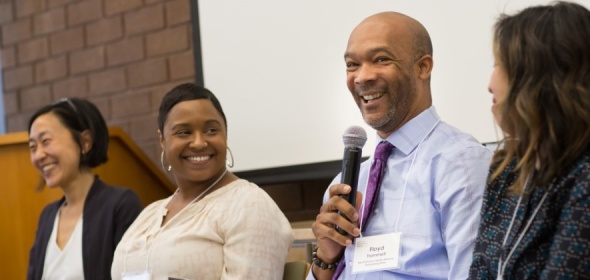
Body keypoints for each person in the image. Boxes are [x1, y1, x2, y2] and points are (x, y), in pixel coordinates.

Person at [307, 12, 492, 280]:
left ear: (423, 67)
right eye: (352, 65)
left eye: (381, 59)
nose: (362, 77)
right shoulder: (348, 184)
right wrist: (326, 257)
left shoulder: (461, 163)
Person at [111, 83, 294, 279]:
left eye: (211, 130)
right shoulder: (149, 215)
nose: (199, 142)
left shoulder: (248, 204)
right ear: (162, 140)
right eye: (184, 132)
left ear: (226, 134)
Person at [469, 2, 590, 279]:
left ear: (540, 78)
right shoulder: (506, 170)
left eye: (499, 65)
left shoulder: (584, 178)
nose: (490, 83)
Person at [27, 98, 143, 280]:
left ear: (85, 141)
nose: (39, 155)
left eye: (46, 141)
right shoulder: (47, 216)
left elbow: (135, 275)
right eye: (33, 147)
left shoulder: (120, 204)